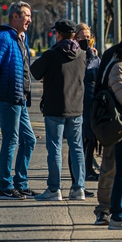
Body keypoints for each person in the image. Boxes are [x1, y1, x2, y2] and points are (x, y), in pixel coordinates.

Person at [0, 1, 37, 200]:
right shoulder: (2, 38)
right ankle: (5, 186)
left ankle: (21, 183)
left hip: (20, 98)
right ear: (15, 16)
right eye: (26, 16)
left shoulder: (21, 38)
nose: (29, 20)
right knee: (11, 139)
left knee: (29, 139)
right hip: (6, 97)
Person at [30, 19, 87, 201]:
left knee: (55, 148)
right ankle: (79, 188)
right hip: (77, 107)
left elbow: (35, 71)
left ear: (58, 34)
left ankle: (54, 189)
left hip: (55, 107)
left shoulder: (51, 54)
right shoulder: (82, 55)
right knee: (77, 148)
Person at [94, 11, 122, 225]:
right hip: (120, 122)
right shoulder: (114, 57)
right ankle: (108, 210)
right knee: (114, 167)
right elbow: (117, 94)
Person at [75, 23, 101, 180]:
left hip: (92, 99)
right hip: (78, 99)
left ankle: (89, 166)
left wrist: (92, 54)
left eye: (87, 37)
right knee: (80, 136)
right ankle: (81, 169)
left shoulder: (94, 55)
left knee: (92, 135)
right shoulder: (73, 53)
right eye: (81, 37)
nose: (85, 40)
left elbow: (96, 70)